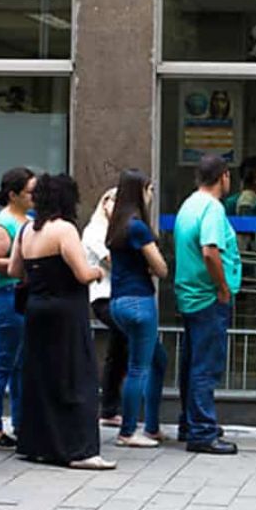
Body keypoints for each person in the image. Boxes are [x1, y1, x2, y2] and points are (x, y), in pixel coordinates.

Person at [8, 174, 113, 470]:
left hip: (36, 310)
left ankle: (38, 444)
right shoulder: (64, 229)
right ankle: (80, 450)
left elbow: (16, 270)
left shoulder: (27, 229)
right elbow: (81, 273)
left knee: (42, 378)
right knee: (75, 377)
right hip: (66, 311)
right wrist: (97, 272)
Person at [174, 154, 242, 455]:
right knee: (205, 366)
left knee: (191, 362)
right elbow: (210, 252)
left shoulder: (189, 204)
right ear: (224, 176)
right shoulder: (212, 208)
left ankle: (189, 423)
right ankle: (202, 431)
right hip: (208, 297)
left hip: (190, 295)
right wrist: (223, 287)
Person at [108, 169, 169, 449]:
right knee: (138, 368)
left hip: (119, 301)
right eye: (149, 190)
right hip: (140, 302)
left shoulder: (117, 225)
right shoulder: (138, 227)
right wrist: (156, 266)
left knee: (158, 360)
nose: (151, 196)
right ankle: (128, 431)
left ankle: (152, 426)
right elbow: (160, 268)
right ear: (140, 192)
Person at [0, 167, 35, 449]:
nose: (34, 196)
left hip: (21, 294)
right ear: (13, 194)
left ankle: (22, 420)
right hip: (6, 294)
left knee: (19, 363)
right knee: (3, 363)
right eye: (29, 191)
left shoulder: (28, 219)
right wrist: (23, 260)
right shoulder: (3, 224)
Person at [82, 188, 127, 426]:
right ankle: (111, 406)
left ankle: (109, 408)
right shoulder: (94, 231)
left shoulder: (117, 229)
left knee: (118, 351)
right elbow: (111, 261)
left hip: (117, 294)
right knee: (128, 342)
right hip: (103, 296)